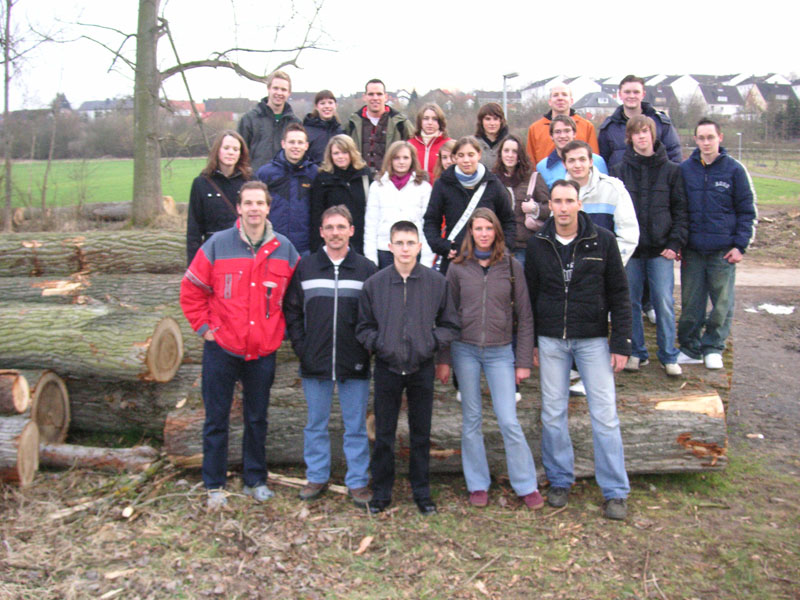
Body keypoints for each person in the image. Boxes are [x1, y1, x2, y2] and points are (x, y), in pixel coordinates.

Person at [180, 181, 300, 510]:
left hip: (262, 350)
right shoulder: (217, 245)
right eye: (248, 203)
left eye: (260, 203)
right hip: (222, 347)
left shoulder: (285, 249)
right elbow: (191, 289)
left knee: (257, 418)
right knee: (216, 418)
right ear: (238, 208)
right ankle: (214, 484)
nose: (254, 209)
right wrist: (205, 328)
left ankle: (255, 480)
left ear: (268, 207)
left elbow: (294, 299)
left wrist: (280, 330)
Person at [524, 179, 632, 520]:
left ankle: (615, 491)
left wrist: (621, 342)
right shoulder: (538, 243)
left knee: (605, 415)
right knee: (552, 413)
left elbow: (620, 294)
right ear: (550, 206)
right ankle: (559, 480)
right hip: (551, 339)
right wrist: (531, 343)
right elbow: (529, 297)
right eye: (557, 201)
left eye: (569, 200)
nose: (563, 207)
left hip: (592, 339)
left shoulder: (603, 240)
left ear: (579, 204)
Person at [436, 208, 543, 509]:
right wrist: (444, 358)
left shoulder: (511, 266)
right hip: (465, 350)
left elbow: (525, 316)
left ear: (496, 231)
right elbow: (446, 316)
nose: (483, 234)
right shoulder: (457, 267)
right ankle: (477, 484)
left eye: (488, 228)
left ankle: (526, 484)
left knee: (508, 419)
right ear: (470, 232)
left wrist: (523, 361)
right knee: (471, 419)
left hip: (500, 352)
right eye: (478, 228)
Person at [356, 220, 460, 515]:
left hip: (421, 366)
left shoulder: (436, 283)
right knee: (384, 434)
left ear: (419, 247)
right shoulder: (375, 284)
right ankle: (381, 492)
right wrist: (381, 344)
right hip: (387, 366)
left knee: (421, 433)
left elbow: (450, 324)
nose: (405, 249)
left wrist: (430, 343)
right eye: (399, 243)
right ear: (390, 247)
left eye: (410, 243)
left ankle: (422, 492)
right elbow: (363, 327)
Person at [284, 205, 378, 508]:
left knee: (355, 427)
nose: (335, 233)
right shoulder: (306, 267)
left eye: (341, 227)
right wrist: (303, 348)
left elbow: (375, 315)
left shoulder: (366, 269)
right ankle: (316, 476)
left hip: (354, 361)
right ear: (321, 232)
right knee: (315, 424)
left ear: (351, 231)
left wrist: (366, 348)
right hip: (315, 360)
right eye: (329, 228)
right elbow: (293, 311)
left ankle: (358, 481)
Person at [610, 115, 688, 376]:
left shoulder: (672, 171)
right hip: (631, 252)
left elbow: (681, 211)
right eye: (636, 132)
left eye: (645, 132)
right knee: (630, 302)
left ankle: (668, 355)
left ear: (653, 136)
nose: (641, 136)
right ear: (629, 138)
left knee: (663, 302)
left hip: (661, 250)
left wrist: (675, 243)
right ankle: (636, 352)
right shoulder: (619, 171)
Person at [677, 118, 757, 370]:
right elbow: (678, 209)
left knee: (722, 303)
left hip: (723, 251)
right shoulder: (685, 170)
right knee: (691, 303)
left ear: (720, 138)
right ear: (695, 140)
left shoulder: (735, 170)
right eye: (701, 138)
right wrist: (677, 242)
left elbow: (747, 211)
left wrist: (740, 245)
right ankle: (690, 348)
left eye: (710, 137)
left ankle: (713, 347)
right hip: (692, 250)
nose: (706, 142)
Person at [424, 136, 515, 274]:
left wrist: (502, 249)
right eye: (461, 155)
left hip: (488, 260)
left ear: (479, 155)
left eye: (471, 155)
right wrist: (442, 246)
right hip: (455, 259)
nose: (466, 160)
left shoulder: (493, 184)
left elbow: (508, 221)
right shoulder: (442, 185)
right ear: (454, 157)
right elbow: (431, 221)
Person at [563, 140, 639, 266]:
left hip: (607, 268)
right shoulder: (560, 193)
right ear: (564, 164)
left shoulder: (613, 189)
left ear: (591, 161)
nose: (577, 165)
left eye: (582, 159)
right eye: (571, 160)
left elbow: (628, 233)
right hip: (572, 270)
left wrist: (610, 265)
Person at [363, 140, 434, 269]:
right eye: (396, 158)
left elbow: (428, 225)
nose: (401, 162)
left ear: (412, 159)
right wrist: (371, 259)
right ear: (390, 160)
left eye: (405, 158)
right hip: (384, 250)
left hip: (413, 251)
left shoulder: (424, 187)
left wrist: (426, 260)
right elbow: (371, 224)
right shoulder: (377, 186)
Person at [186, 130, 251, 265]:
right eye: (226, 148)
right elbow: (194, 229)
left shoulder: (250, 182)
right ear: (217, 150)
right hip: (213, 252)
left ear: (241, 153)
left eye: (235, 149)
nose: (231, 152)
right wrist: (193, 264)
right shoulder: (201, 183)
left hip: (244, 251)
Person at [256, 123, 319, 255]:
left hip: (305, 248)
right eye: (291, 142)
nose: (296, 146)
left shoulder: (315, 174)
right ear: (283, 144)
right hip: (272, 245)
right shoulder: (265, 173)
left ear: (306, 146)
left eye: (300, 142)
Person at [598, 74, 682, 168]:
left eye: (636, 92)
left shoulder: (660, 123)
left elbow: (674, 154)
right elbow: (603, 162)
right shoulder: (609, 127)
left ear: (643, 94)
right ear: (620, 95)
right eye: (627, 92)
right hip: (619, 177)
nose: (632, 96)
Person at [492, 134, 550, 265]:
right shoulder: (492, 179)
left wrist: (535, 208)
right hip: (499, 245)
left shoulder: (533, 178)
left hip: (525, 246)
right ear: (500, 154)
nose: (510, 155)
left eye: (514, 151)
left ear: (520, 155)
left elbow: (550, 208)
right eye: (506, 151)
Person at [309, 134, 371, 255]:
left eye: (344, 152)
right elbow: (316, 215)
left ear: (352, 153)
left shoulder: (364, 176)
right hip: (333, 240)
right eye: (336, 153)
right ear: (330, 155)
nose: (340, 157)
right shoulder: (322, 179)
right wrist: (317, 248)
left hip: (361, 240)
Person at [238, 70, 301, 171]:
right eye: (275, 88)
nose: (279, 93)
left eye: (283, 90)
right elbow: (239, 153)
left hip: (284, 179)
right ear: (268, 89)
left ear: (289, 93)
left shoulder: (295, 123)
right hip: (255, 178)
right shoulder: (249, 120)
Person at [346, 79, 412, 173]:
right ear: (364, 97)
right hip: (360, 177)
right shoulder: (352, 124)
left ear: (386, 97)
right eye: (371, 94)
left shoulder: (400, 123)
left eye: (379, 94)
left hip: (391, 178)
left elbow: (414, 150)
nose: (375, 98)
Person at [526, 84, 599, 166]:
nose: (560, 98)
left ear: (571, 101)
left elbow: (594, 159)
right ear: (550, 102)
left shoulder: (587, 127)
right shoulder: (535, 129)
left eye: (564, 95)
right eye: (555, 95)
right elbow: (531, 162)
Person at [536, 115, 608, 189]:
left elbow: (605, 188)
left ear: (574, 134)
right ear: (551, 136)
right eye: (557, 132)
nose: (562, 136)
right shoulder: (542, 167)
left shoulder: (597, 161)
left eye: (567, 131)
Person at [409, 103, 451, 183]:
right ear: (420, 121)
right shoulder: (409, 145)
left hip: (440, 189)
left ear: (440, 122)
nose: (430, 122)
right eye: (426, 118)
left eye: (434, 119)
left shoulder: (449, 145)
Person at [303, 89, 344, 165]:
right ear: (316, 106)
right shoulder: (305, 131)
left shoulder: (341, 132)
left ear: (336, 105)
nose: (327, 106)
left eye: (330, 103)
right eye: (322, 103)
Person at [475, 102, 509, 168]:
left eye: (495, 119)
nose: (492, 123)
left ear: (501, 121)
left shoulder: (510, 143)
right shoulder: (472, 144)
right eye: (488, 119)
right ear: (481, 121)